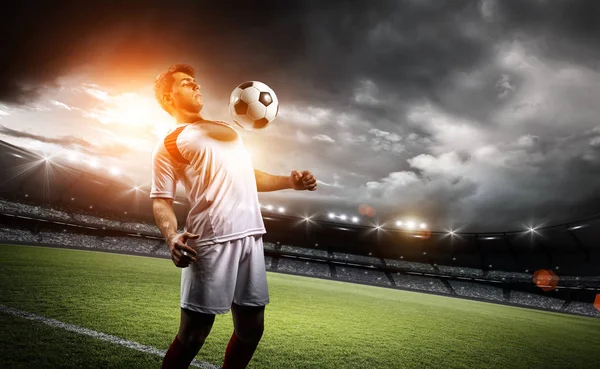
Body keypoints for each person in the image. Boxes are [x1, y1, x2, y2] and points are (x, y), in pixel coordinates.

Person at [150, 64, 317, 369]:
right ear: (168, 97)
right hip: (210, 240)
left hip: (251, 234)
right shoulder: (169, 144)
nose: (196, 86)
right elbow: (161, 200)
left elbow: (249, 175)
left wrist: (290, 182)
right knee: (194, 335)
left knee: (252, 329)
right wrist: (171, 236)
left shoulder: (226, 129)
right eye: (187, 84)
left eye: (195, 82)